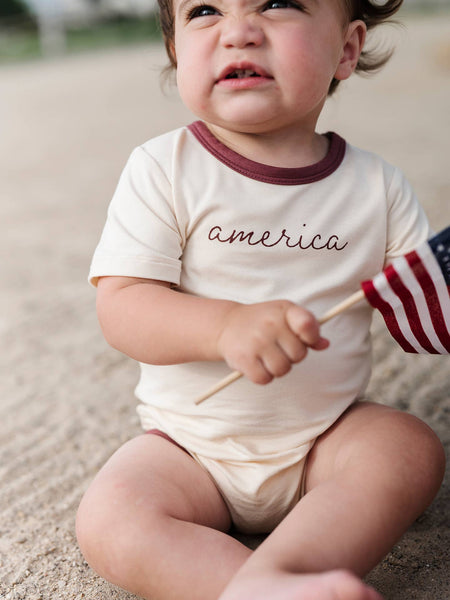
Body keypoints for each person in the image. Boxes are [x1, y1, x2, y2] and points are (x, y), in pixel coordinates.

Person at [76, 0, 446, 598]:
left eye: (277, 5)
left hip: (325, 439)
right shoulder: (164, 168)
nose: (238, 32)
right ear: (176, 48)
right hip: (189, 448)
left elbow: (429, 291)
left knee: (408, 448)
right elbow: (123, 306)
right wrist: (224, 327)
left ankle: (290, 571)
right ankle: (254, 590)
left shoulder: (375, 185)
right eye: (204, 10)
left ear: (346, 50)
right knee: (112, 518)